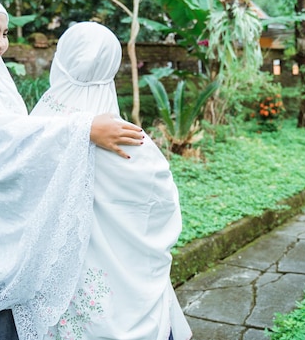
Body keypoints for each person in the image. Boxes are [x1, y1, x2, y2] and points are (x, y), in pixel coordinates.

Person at [0, 0, 143, 340]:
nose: (2, 44)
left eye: (5, 33)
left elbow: (20, 135)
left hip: (9, 211)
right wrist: (84, 129)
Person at [31, 22, 192, 340]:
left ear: (61, 59)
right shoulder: (130, 138)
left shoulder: (34, 129)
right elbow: (163, 205)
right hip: (123, 285)